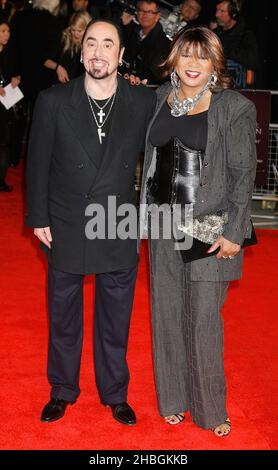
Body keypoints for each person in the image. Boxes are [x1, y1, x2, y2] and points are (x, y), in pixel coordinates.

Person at [25, 19, 156, 425]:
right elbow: (37, 162)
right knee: (63, 314)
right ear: (81, 53)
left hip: (117, 221)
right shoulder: (52, 100)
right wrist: (38, 216)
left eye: (108, 45)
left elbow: (164, 154)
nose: (98, 52)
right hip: (65, 219)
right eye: (91, 44)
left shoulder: (142, 102)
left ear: (120, 55)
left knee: (115, 317)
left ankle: (114, 392)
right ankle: (62, 389)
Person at [139, 26, 257, 436]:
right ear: (174, 60)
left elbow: (244, 175)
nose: (193, 64)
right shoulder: (159, 99)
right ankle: (172, 399)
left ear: (215, 64)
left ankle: (210, 410)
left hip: (209, 223)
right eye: (186, 55)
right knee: (166, 313)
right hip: (160, 221)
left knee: (204, 318)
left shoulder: (234, 107)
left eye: (202, 57)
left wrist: (235, 232)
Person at [214, 0, 258, 88]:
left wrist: (225, 50)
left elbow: (252, 61)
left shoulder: (246, 34)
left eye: (222, 11)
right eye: (217, 10)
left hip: (237, 88)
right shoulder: (217, 33)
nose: (217, 15)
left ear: (233, 14)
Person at [0, 16, 21, 191]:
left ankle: (1, 180)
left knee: (4, 142)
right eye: (3, 31)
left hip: (5, 103)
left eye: (8, 31)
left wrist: (16, 78)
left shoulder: (11, 53)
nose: (7, 34)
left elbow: (17, 72)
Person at [44, 10, 91, 83]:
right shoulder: (64, 39)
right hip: (62, 87)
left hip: (82, 88)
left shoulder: (92, 45)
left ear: (87, 29)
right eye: (73, 30)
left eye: (79, 31)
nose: (75, 34)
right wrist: (58, 67)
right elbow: (45, 61)